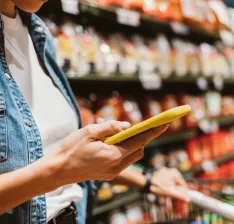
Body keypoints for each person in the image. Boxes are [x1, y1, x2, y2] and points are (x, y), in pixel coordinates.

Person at [0, 0, 189, 224]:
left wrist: (146, 179)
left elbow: (56, 150)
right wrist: (59, 170)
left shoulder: (38, 34)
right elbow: (61, 164)